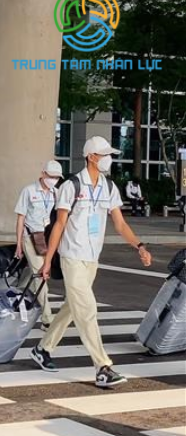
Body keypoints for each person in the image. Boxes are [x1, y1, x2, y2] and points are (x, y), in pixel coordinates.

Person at [32, 136, 152, 388]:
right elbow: (59, 225)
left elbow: (119, 223)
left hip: (91, 259)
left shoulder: (109, 187)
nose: (109, 158)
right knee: (87, 309)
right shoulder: (72, 186)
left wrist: (139, 245)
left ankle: (42, 348)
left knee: (72, 307)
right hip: (72, 257)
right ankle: (102, 367)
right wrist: (47, 259)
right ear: (91, 157)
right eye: (104, 154)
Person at [14, 160, 64, 330]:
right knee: (41, 275)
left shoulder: (57, 194)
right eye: (51, 176)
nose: (53, 179)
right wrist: (19, 244)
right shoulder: (28, 191)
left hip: (49, 238)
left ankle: (16, 295)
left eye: (57, 177)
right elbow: (20, 218)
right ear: (43, 174)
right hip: (31, 236)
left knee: (33, 273)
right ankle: (47, 318)